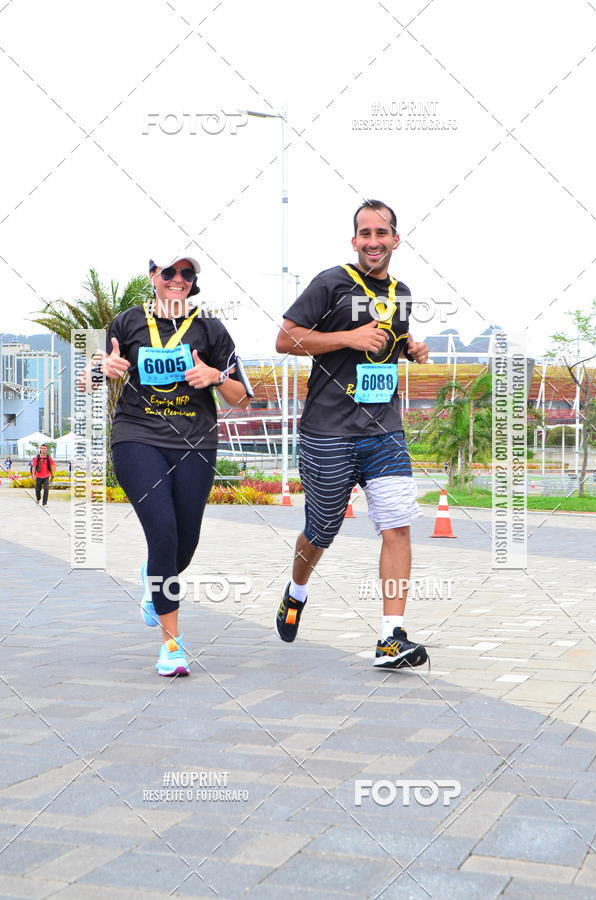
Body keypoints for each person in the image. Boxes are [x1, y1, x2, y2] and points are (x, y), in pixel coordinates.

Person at [274, 200, 430, 669]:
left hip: (384, 428)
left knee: (397, 524)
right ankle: (296, 591)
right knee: (322, 530)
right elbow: (285, 339)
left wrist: (410, 348)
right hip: (328, 428)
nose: (373, 241)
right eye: (365, 233)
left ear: (395, 239)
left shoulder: (401, 292)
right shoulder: (330, 283)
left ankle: (390, 637)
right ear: (355, 240)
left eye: (381, 233)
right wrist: (347, 337)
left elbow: (386, 344)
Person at [103, 254, 250, 677]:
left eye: (187, 274)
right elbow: (89, 377)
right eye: (170, 272)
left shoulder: (212, 329)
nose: (178, 279)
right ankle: (172, 645)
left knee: (183, 545)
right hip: (138, 438)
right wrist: (102, 367)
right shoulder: (127, 323)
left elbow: (242, 398)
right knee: (163, 533)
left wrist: (216, 378)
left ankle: (154, 576)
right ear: (153, 277)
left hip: (195, 443)